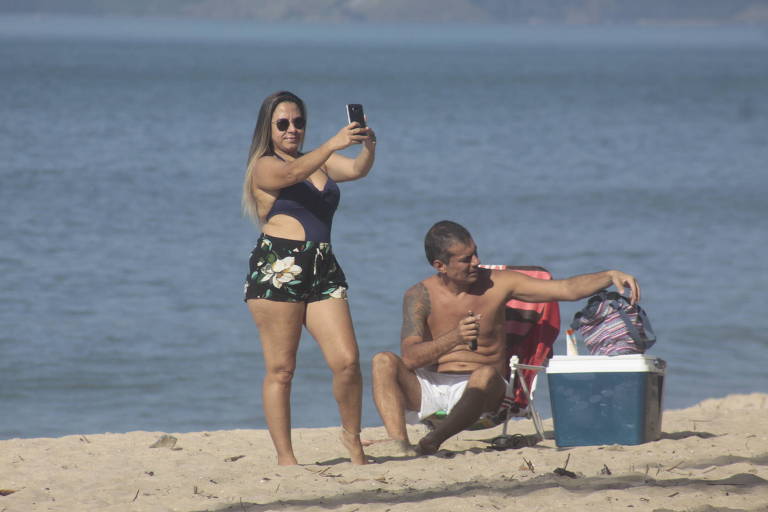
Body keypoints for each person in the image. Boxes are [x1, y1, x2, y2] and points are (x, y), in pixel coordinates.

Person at [371, 220, 640, 456]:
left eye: (475, 253)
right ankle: (399, 445)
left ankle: (432, 441)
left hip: (485, 393)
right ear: (440, 265)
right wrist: (455, 338)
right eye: (466, 259)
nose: (476, 262)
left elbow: (565, 289)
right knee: (383, 361)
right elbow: (410, 358)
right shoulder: (419, 295)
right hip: (432, 387)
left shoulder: (499, 283)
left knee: (485, 374)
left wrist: (609, 275)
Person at [242, 91, 376, 465]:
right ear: (268, 128)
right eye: (283, 123)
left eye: (298, 122)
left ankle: (352, 439)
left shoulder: (320, 161)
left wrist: (369, 144)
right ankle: (286, 458)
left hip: (323, 266)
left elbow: (357, 170)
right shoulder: (263, 165)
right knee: (282, 369)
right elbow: (291, 175)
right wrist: (332, 143)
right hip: (280, 268)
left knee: (347, 361)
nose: (292, 129)